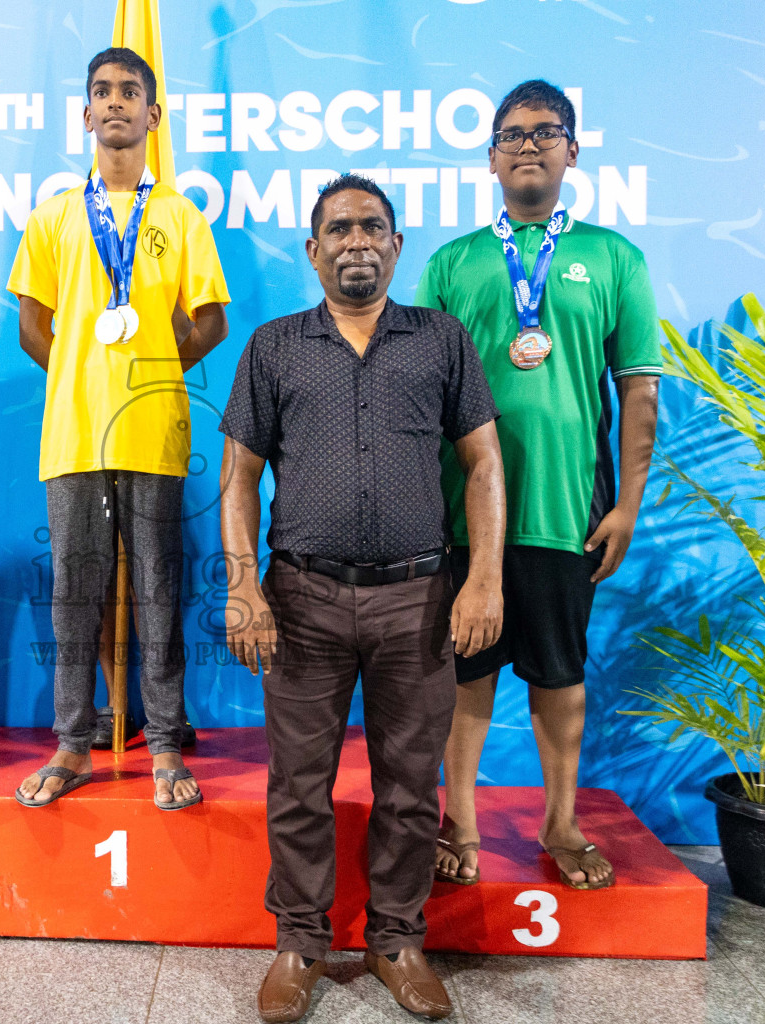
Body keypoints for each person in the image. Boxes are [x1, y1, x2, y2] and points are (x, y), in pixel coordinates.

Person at [220, 175, 506, 1023]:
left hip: (419, 598)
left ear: (395, 246)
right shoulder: (274, 347)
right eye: (338, 228)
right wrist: (243, 587)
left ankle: (396, 940)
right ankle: (301, 943)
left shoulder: (441, 340)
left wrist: (482, 578)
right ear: (312, 250)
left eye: (372, 227)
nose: (356, 240)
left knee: (412, 784)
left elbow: (484, 465)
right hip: (300, 598)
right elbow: (238, 478)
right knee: (299, 784)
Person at [415, 80, 662, 891]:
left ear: (573, 151)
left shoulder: (615, 258)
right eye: (513, 134)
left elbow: (638, 391)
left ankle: (561, 821)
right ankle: (460, 819)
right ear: (489, 156)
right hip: (463, 518)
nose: (528, 144)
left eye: (546, 132)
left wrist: (626, 503)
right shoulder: (451, 263)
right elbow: (420, 395)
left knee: (560, 675)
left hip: (566, 512)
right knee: (465, 675)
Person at [7, 47, 230, 810]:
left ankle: (165, 741)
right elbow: (31, 322)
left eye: (129, 92)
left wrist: (155, 367)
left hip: (153, 430)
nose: (113, 104)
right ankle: (74, 739)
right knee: (76, 589)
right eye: (100, 91)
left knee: (160, 589)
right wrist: (78, 369)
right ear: (85, 112)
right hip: (72, 433)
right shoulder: (54, 216)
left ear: (153, 115)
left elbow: (212, 320)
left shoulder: (178, 215)